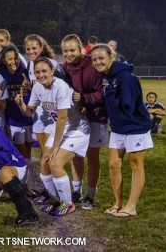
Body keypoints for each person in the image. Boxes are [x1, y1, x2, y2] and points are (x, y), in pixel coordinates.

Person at [16, 57, 90, 216]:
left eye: (44, 71)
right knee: (44, 163)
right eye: (37, 72)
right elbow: (30, 112)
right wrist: (21, 104)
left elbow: (63, 118)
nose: (41, 75)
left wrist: (55, 148)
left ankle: (68, 204)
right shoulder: (37, 87)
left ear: (52, 71)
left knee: (55, 162)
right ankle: (55, 200)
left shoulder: (61, 87)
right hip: (60, 128)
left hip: (76, 130)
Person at [91, 44, 153, 217]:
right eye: (94, 60)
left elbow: (128, 104)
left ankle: (131, 206)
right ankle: (118, 203)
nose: (98, 62)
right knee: (113, 164)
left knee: (135, 164)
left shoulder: (126, 77)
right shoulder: (105, 77)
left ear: (111, 56)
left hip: (135, 126)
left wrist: (109, 92)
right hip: (118, 128)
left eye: (101, 58)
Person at [61, 34, 108, 210]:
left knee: (93, 157)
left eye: (72, 50)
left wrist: (85, 101)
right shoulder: (65, 67)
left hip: (96, 117)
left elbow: (102, 93)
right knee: (76, 155)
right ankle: (76, 191)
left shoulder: (93, 66)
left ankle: (90, 195)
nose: (69, 54)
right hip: (78, 119)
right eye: (65, 51)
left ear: (81, 49)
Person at [22, 34, 64, 204]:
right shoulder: (31, 64)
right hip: (39, 114)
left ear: (41, 47)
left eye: (34, 48)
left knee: (48, 154)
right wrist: (30, 86)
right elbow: (41, 86)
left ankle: (56, 192)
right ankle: (49, 190)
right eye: (28, 49)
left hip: (50, 114)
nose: (31, 51)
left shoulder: (51, 64)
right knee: (43, 153)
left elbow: (61, 86)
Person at [0, 45, 35, 194]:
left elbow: (34, 92)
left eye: (15, 58)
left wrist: (30, 87)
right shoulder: (1, 75)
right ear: (4, 60)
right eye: (9, 59)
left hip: (28, 118)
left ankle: (24, 183)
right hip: (13, 120)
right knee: (21, 153)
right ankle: (21, 185)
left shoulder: (25, 72)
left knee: (28, 153)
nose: (13, 61)